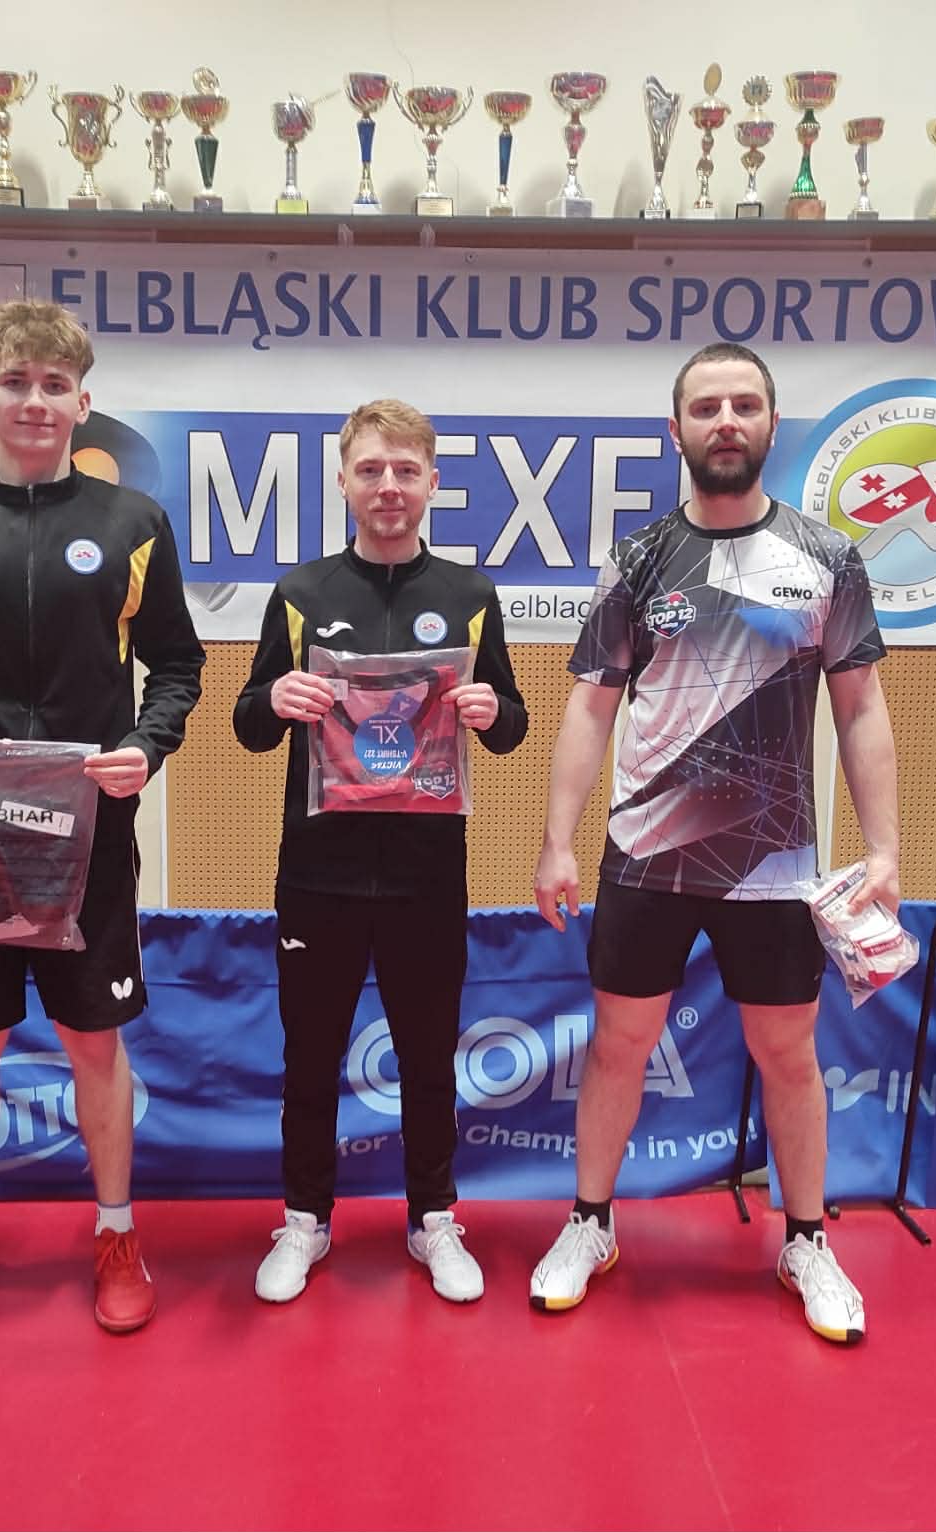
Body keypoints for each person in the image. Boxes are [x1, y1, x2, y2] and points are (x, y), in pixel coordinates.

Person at [529, 342, 899, 1344]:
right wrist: (557, 841)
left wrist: (885, 850)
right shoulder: (640, 558)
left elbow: (860, 708)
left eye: (743, 404)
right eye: (705, 407)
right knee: (618, 1044)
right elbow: (590, 708)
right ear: (676, 430)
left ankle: (805, 1240)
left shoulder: (827, 558)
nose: (725, 420)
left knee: (788, 1053)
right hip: (647, 854)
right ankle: (591, 1222)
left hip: (774, 864)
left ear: (772, 424)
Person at [0, 297, 204, 1338]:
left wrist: (146, 746)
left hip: (87, 834)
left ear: (81, 403)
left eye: (54, 384)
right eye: (15, 381)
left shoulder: (132, 524)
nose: (34, 400)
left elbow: (178, 665)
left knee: (92, 1042)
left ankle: (116, 1234)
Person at [233, 398, 528, 1305]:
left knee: (430, 1057)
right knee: (310, 1056)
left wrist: (491, 710)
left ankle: (432, 1218)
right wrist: (275, 698)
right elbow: (248, 724)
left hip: (426, 877)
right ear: (343, 481)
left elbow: (512, 725)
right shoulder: (301, 593)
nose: (388, 486)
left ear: (433, 482)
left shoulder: (470, 597)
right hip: (317, 872)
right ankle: (305, 1220)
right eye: (371, 470)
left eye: (405, 470)